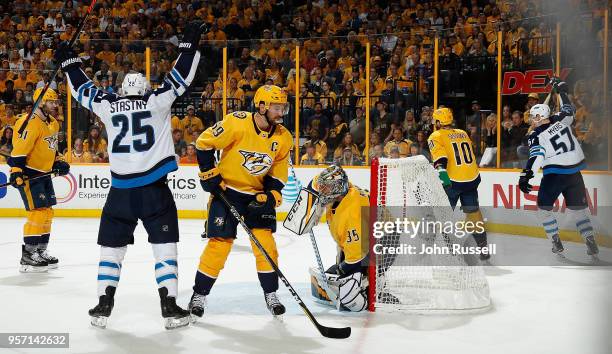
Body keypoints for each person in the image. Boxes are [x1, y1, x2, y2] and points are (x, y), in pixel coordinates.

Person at [56, 22, 205, 330]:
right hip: (154, 190)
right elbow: (181, 77)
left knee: (111, 249)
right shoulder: (156, 101)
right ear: (145, 89)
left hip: (119, 192)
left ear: (123, 90)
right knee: (165, 247)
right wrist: (189, 44)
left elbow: (83, 90)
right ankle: (169, 305)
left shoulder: (109, 105)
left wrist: (68, 62)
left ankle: (103, 303)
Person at [190, 84, 293, 320]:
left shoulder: (283, 137)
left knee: (266, 246)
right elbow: (204, 143)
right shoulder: (237, 122)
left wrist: (271, 195)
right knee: (219, 244)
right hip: (228, 193)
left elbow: (278, 174)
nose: (281, 112)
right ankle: (199, 295)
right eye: (277, 107)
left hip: (256, 196)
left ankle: (271, 294)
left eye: (283, 107)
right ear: (262, 106)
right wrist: (209, 173)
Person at [518, 80, 598, 257]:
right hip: (575, 173)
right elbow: (569, 110)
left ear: (539, 117)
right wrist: (561, 91)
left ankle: (555, 240)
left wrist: (526, 175)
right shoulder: (562, 119)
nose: (531, 120)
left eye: (533, 116)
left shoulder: (536, 134)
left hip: (555, 174)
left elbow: (537, 156)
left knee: (542, 209)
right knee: (579, 210)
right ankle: (590, 240)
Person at [8, 88, 70, 272]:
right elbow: (18, 150)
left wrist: (59, 161)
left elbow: (52, 149)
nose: (55, 105)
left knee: (47, 212)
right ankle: (28, 254)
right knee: (38, 212)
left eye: (56, 102)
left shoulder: (53, 123)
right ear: (41, 103)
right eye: (51, 102)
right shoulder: (29, 123)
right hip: (29, 174)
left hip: (44, 174)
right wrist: (16, 171)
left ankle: (40, 251)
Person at [427, 107, 490, 260]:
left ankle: (449, 249)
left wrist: (444, 181)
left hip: (454, 181)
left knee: (443, 215)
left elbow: (441, 161)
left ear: (438, 121)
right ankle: (483, 249)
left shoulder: (436, 135)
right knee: (474, 214)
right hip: (471, 178)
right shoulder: (462, 132)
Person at [307, 165, 370, 311]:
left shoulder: (351, 214)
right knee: (333, 275)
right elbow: (315, 182)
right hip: (363, 239)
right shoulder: (342, 190)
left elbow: (356, 259)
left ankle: (372, 289)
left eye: (326, 188)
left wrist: (340, 270)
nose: (322, 191)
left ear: (336, 189)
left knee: (351, 299)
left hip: (382, 245)